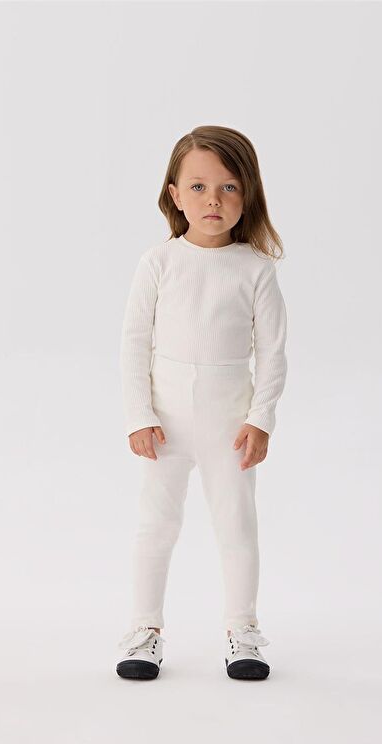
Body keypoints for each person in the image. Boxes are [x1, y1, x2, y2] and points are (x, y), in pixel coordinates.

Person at [114, 125, 288, 681]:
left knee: (236, 525)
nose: (213, 199)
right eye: (198, 187)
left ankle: (243, 631)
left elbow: (273, 353)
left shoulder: (256, 270)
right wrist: (139, 416)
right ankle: (144, 630)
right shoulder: (158, 263)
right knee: (156, 524)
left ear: (247, 194)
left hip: (229, 427)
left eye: (229, 187)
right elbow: (134, 343)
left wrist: (260, 419)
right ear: (174, 194)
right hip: (164, 427)